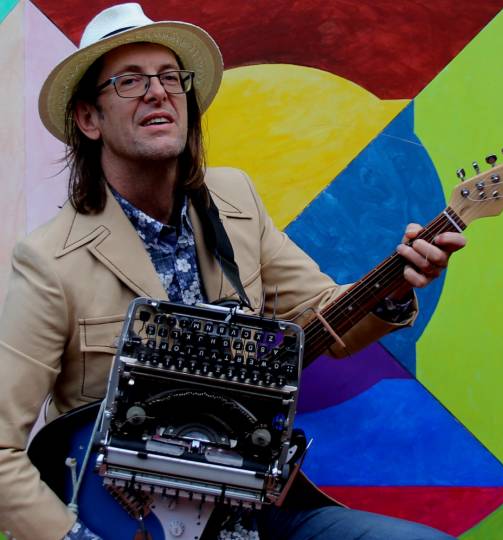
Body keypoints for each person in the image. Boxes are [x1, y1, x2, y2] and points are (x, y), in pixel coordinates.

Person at [0, 4, 466, 540]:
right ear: (89, 119)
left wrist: (392, 288)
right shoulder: (49, 259)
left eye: (171, 77)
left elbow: (322, 317)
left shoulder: (236, 199)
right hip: (129, 524)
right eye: (128, 81)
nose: (158, 92)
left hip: (258, 512)